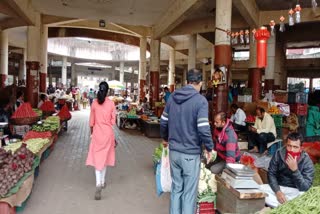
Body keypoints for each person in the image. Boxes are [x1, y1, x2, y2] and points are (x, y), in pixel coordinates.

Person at [160, 68, 213, 214]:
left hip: (174, 152)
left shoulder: (172, 97)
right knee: (189, 194)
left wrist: (165, 138)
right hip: (190, 154)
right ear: (200, 83)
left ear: (186, 81)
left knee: (176, 189)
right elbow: (203, 128)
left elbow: (163, 121)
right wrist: (209, 147)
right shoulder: (201, 101)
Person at [260, 132, 314, 208]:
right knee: (260, 189)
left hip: (295, 191)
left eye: (295, 147)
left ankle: (281, 206)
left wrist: (295, 171)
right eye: (289, 146)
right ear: (286, 145)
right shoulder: (279, 153)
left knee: (304, 195)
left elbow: (305, 188)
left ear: (301, 149)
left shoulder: (307, 161)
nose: (291, 150)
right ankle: (288, 207)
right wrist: (277, 191)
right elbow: (271, 173)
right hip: (280, 188)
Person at [86, 81, 116, 200]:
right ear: (108, 91)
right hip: (108, 134)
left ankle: (98, 183)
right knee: (105, 158)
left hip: (97, 134)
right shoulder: (111, 104)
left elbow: (91, 122)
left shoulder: (94, 103)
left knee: (97, 158)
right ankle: (103, 182)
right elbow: (113, 121)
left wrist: (91, 134)